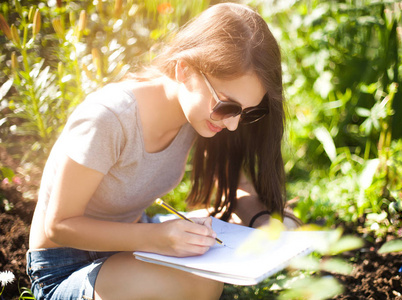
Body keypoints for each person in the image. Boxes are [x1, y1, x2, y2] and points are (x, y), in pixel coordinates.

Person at [27, 2, 298, 299]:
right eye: (227, 106)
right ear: (185, 69)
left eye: (246, 112)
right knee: (201, 282)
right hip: (67, 269)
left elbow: (235, 186)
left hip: (130, 245)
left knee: (235, 236)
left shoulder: (199, 117)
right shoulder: (108, 119)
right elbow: (59, 226)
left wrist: (261, 221)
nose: (233, 125)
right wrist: (155, 238)